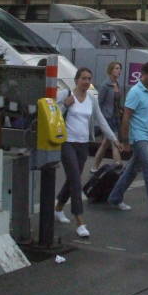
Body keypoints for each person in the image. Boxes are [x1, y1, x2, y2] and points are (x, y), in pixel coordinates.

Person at [54, 68, 121, 237]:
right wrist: (64, 105)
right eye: (83, 78)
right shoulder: (65, 93)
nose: (86, 81)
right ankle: (79, 220)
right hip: (67, 142)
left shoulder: (92, 99)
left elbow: (101, 120)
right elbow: (51, 112)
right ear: (76, 80)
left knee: (72, 178)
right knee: (76, 180)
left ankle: (58, 207)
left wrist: (114, 139)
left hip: (83, 144)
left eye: (89, 78)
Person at [107, 62, 148, 218]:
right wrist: (126, 141)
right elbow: (126, 117)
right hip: (138, 136)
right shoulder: (135, 92)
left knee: (133, 169)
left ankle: (115, 197)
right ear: (144, 74)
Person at [92, 62, 124, 171]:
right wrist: (100, 119)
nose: (119, 71)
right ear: (111, 70)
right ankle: (118, 164)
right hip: (107, 117)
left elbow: (117, 101)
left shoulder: (117, 84)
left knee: (105, 144)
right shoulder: (105, 85)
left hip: (116, 117)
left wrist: (120, 109)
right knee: (114, 141)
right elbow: (99, 102)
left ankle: (94, 166)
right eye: (116, 68)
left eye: (119, 68)